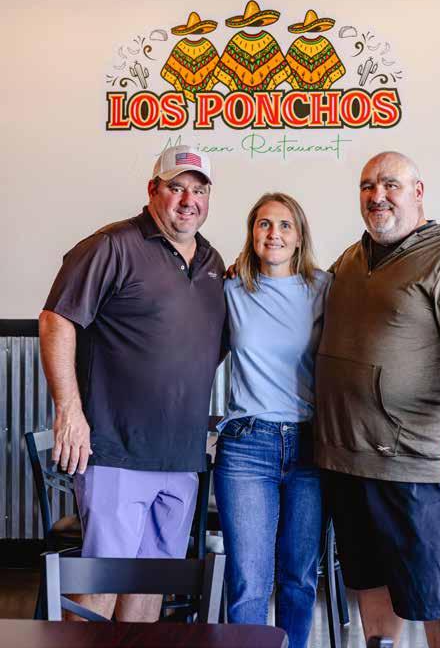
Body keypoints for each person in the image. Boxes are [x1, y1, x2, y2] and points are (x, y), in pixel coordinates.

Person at [315, 151, 440, 648]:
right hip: (350, 461)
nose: (377, 195)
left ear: (418, 193)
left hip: (419, 466)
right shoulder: (352, 258)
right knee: (369, 580)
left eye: (390, 185)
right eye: (367, 186)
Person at [39, 145, 225, 622]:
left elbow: (206, 346)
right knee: (103, 581)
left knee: (153, 582)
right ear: (153, 190)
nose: (188, 200)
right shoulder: (112, 245)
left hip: (180, 457)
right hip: (116, 451)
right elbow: (57, 320)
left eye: (199, 190)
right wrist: (69, 411)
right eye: (176, 187)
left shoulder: (211, 261)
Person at [214, 192, 332, 648]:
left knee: (299, 577)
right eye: (264, 224)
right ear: (252, 234)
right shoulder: (230, 290)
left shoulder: (324, 288)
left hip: (310, 445)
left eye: (285, 225)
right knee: (249, 579)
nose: (274, 234)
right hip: (247, 445)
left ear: (300, 236)